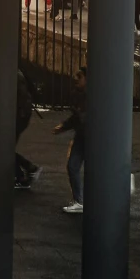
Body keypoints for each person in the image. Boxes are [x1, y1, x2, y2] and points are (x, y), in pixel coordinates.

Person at [54, 64, 86, 213]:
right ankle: (79, 201)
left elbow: (78, 116)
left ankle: (80, 201)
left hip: (88, 137)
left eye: (80, 76)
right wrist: (64, 126)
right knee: (72, 166)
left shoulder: (90, 96)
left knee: (74, 166)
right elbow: (77, 117)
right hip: (82, 136)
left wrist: (64, 127)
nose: (76, 79)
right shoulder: (78, 94)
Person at [14, 62, 43, 189]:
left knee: (3, 149)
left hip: (17, 117)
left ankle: (28, 169)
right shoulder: (17, 72)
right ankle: (22, 174)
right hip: (21, 116)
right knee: (4, 148)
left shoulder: (14, 75)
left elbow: (20, 98)